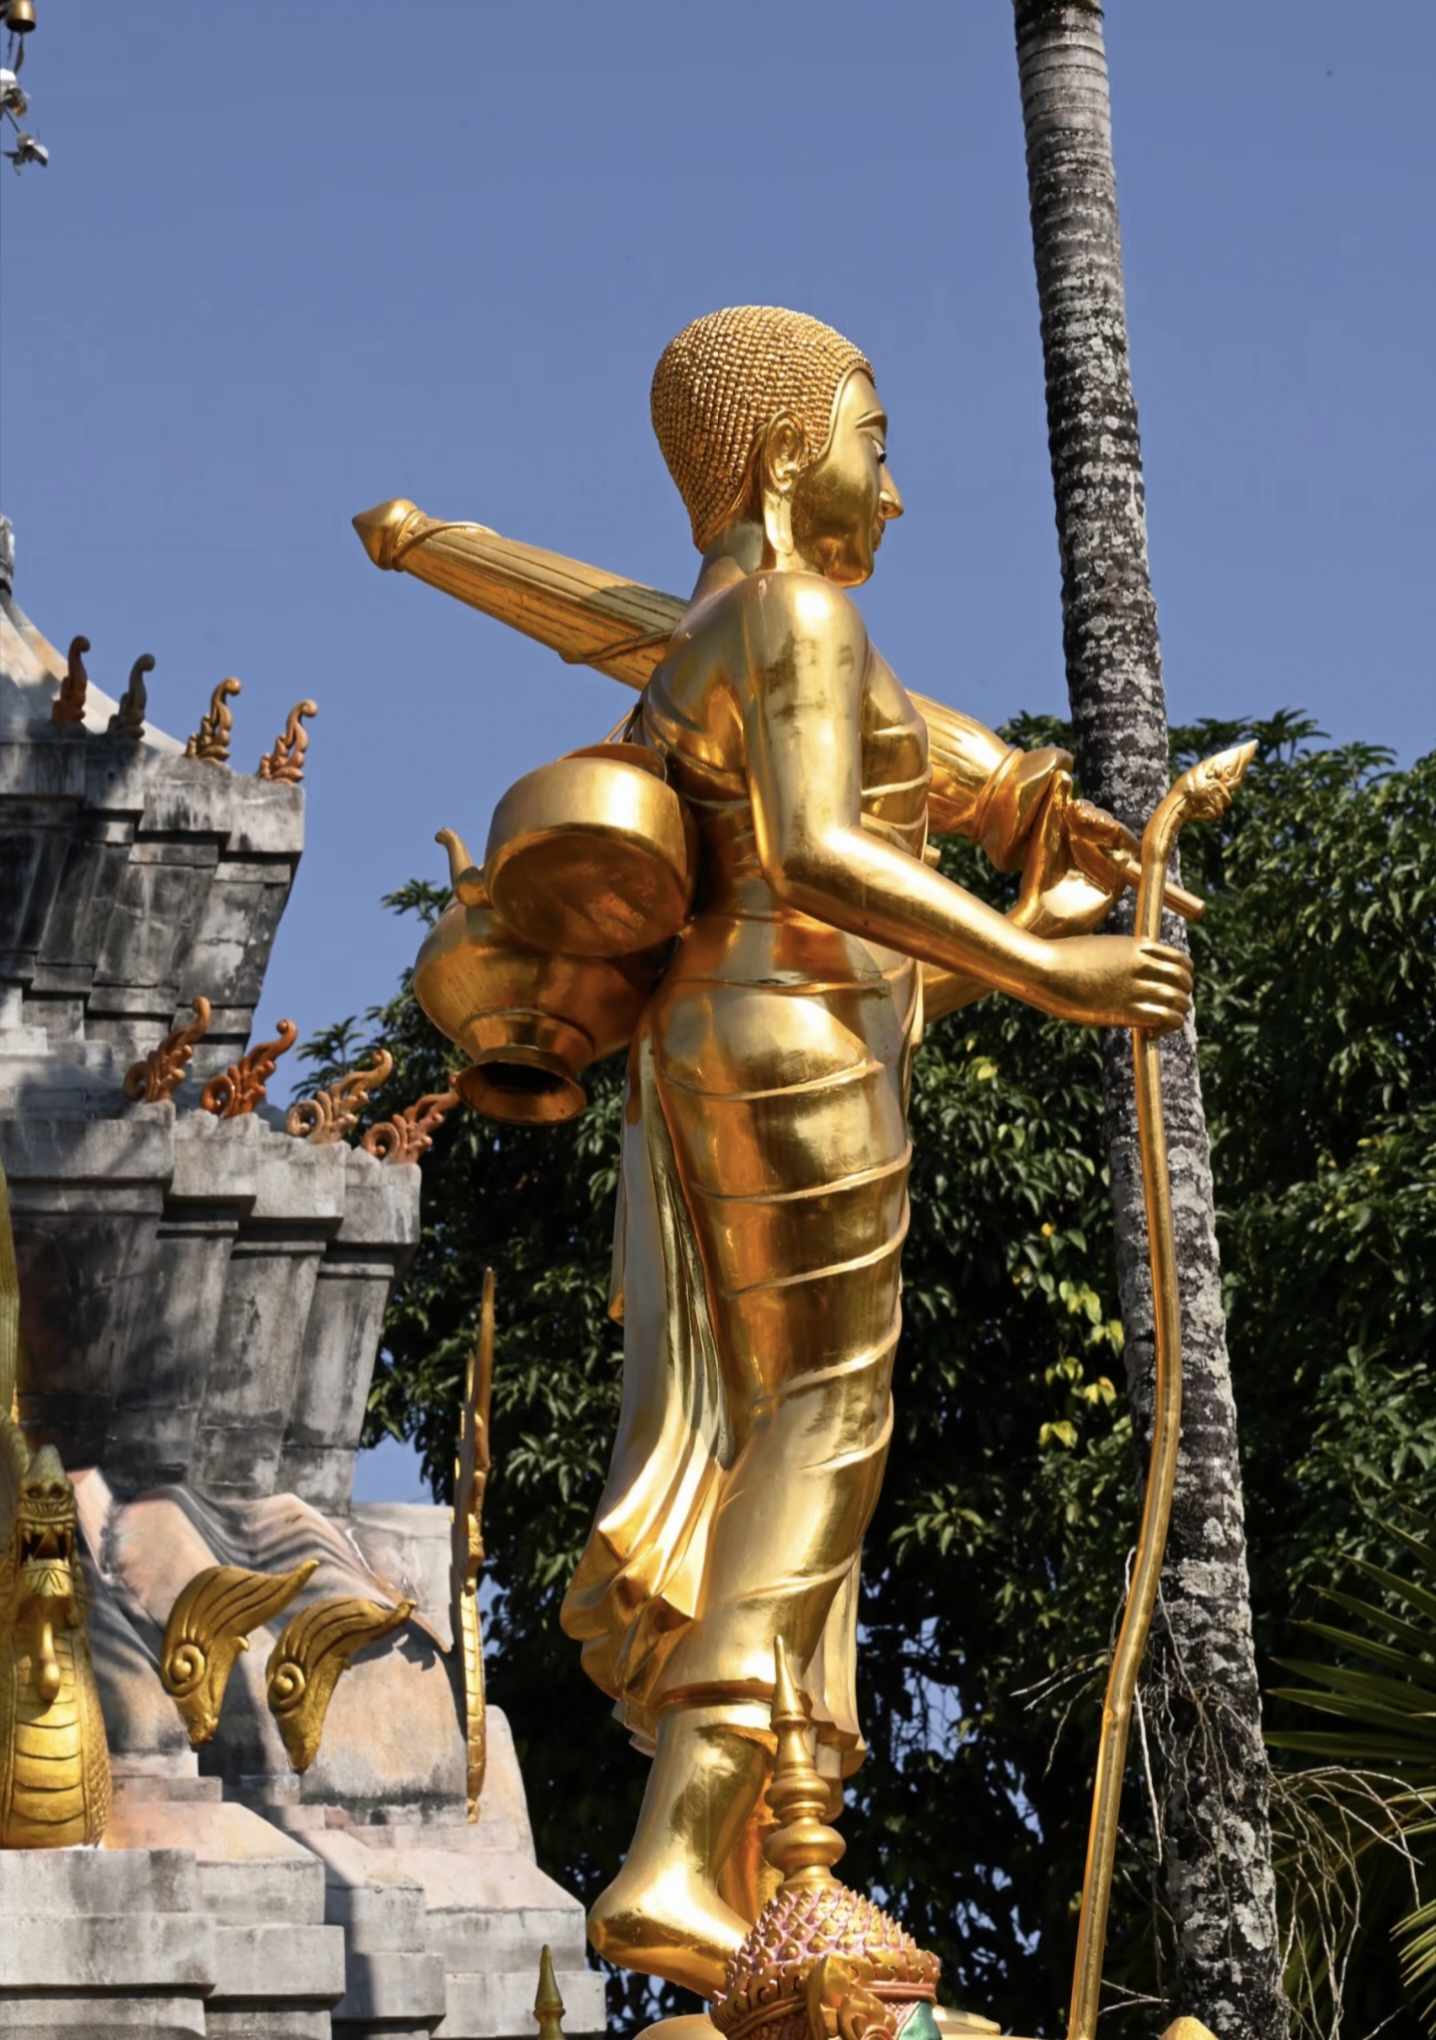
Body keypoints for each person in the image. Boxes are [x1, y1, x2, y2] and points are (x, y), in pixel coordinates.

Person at [557, 306, 1191, 1995]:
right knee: (830, 1419)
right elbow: (826, 857)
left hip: (752, 1037)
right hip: (784, 1040)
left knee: (792, 1432)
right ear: (784, 455)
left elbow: (814, 918)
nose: (893, 493)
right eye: (875, 438)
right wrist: (1052, 966)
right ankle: (686, 1845)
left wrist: (1022, 907)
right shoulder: (795, 611)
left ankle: (759, 1839)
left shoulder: (707, 632)